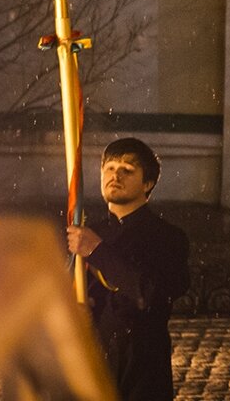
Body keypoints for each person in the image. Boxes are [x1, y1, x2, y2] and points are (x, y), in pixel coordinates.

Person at [66, 138, 190, 401]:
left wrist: (98, 252)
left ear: (148, 184)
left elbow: (149, 293)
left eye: (127, 170)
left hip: (141, 365)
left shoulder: (168, 237)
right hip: (93, 363)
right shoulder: (84, 234)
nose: (115, 175)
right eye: (109, 168)